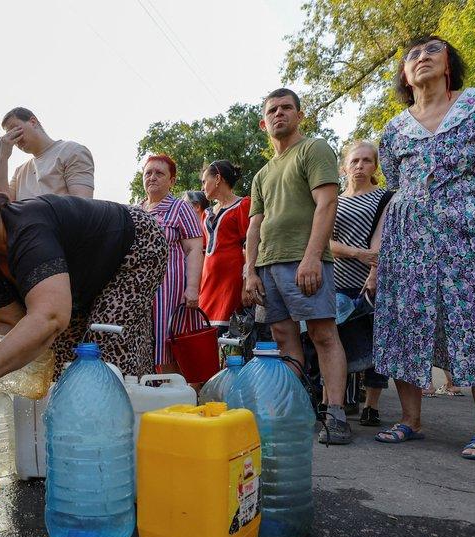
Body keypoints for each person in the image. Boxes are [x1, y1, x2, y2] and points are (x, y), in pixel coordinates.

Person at [373, 36, 475, 460]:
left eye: (432, 51)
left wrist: (464, 209)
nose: (421, 57)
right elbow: (397, 183)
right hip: (408, 239)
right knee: (406, 318)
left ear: (448, 65)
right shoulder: (394, 128)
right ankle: (410, 419)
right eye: (412, 55)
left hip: (469, 231)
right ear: (405, 76)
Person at [0, 179, 166, 399]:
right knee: (60, 363)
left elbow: (49, 318)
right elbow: (12, 323)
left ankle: (137, 419)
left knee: (104, 349)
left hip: (135, 244)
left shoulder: (28, 227)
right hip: (84, 277)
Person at [242, 88, 352, 444]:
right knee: (282, 338)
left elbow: (327, 203)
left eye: (286, 108)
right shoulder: (262, 174)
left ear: (299, 115)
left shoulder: (313, 149)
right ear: (264, 123)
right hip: (268, 265)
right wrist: (249, 271)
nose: (279, 114)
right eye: (272, 110)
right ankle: (296, 411)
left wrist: (312, 256)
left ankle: (336, 415)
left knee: (323, 334)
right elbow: (255, 226)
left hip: (304, 261)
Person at [329, 141, 392, 425]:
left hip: (372, 282)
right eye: (354, 161)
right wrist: (358, 254)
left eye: (366, 161)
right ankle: (336, 402)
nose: (360, 166)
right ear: (344, 167)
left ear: (375, 166)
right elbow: (325, 242)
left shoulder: (385, 198)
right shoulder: (334, 201)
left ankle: (371, 406)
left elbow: (384, 240)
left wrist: (373, 271)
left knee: (375, 345)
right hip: (337, 281)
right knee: (337, 343)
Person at [140, 155, 205, 373]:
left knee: (170, 346)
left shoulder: (180, 208)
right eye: (148, 173)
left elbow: (194, 249)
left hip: (170, 293)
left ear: (172, 181)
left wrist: (192, 288)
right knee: (143, 346)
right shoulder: (135, 210)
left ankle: (175, 392)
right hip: (141, 294)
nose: (152, 177)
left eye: (159, 173)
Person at [0, 107, 94, 201]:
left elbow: (82, 204)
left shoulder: (71, 150)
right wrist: (3, 157)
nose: (13, 138)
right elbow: (0, 203)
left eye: (15, 130)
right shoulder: (20, 172)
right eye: (9, 135)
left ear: (33, 122)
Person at [199, 160, 251, 335]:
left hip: (232, 280)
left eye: (204, 181)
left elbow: (249, 245)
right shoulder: (206, 213)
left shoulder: (243, 205)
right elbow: (202, 251)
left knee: (227, 335)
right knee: (204, 332)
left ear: (217, 178)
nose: (202, 187)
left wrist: (246, 283)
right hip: (207, 282)